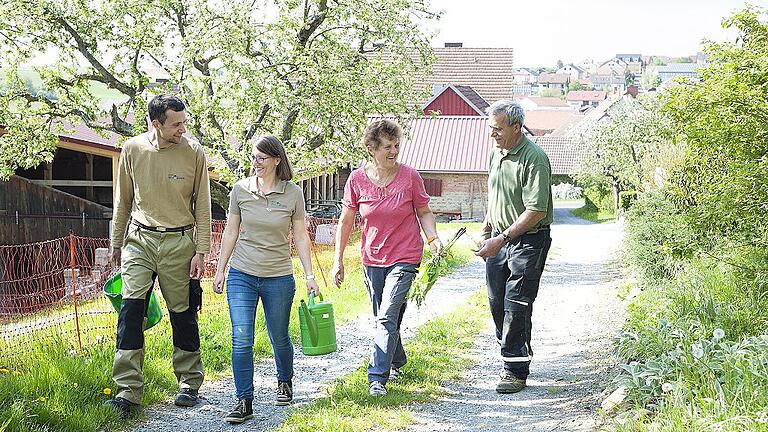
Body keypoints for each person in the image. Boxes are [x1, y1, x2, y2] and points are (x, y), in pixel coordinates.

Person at [106, 94, 212, 416]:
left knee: (183, 313)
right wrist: (115, 242)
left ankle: (189, 382)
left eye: (184, 121)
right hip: (139, 240)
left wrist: (201, 250)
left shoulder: (194, 152)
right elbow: (123, 201)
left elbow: (203, 205)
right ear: (156, 123)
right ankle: (127, 390)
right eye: (176, 124)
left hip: (179, 242)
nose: (183, 128)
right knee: (131, 313)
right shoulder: (133, 149)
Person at [212, 135, 320, 424]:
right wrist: (221, 269)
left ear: (276, 159)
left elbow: (299, 235)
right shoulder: (240, 190)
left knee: (279, 336)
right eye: (253, 158)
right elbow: (231, 231)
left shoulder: (293, 193)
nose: (256, 163)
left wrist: (309, 275)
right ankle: (243, 399)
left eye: (261, 158)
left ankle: (284, 380)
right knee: (241, 337)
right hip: (242, 274)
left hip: (278, 276)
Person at [331, 119, 442, 397]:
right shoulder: (356, 180)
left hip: (405, 255)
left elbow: (424, 212)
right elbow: (346, 222)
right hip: (372, 258)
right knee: (385, 316)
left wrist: (432, 239)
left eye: (396, 146)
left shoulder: (410, 177)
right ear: (371, 148)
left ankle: (377, 377)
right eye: (387, 147)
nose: (394, 152)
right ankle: (398, 359)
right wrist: (338, 260)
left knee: (387, 315)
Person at [474, 99, 553, 394]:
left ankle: (514, 370)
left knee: (516, 304)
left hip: (529, 240)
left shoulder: (534, 158)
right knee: (497, 303)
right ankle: (515, 352)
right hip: (498, 236)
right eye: (490, 128)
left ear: (516, 128)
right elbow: (496, 196)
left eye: (497, 129)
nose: (492, 134)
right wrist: (486, 230)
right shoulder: (496, 154)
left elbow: (536, 210)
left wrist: (502, 238)